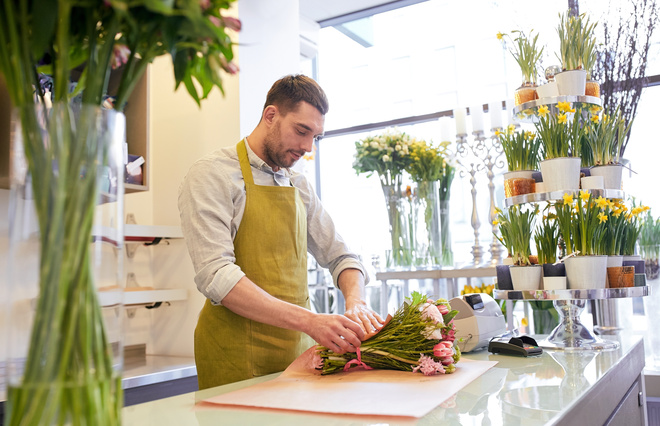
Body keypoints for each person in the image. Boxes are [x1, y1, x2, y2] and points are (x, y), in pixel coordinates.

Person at [178, 74, 384, 390]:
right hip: (233, 357)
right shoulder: (213, 174)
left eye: (315, 136)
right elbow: (217, 276)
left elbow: (341, 256)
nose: (307, 147)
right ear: (270, 115)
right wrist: (312, 321)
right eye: (301, 131)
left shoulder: (298, 185)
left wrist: (356, 301)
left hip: (299, 356)